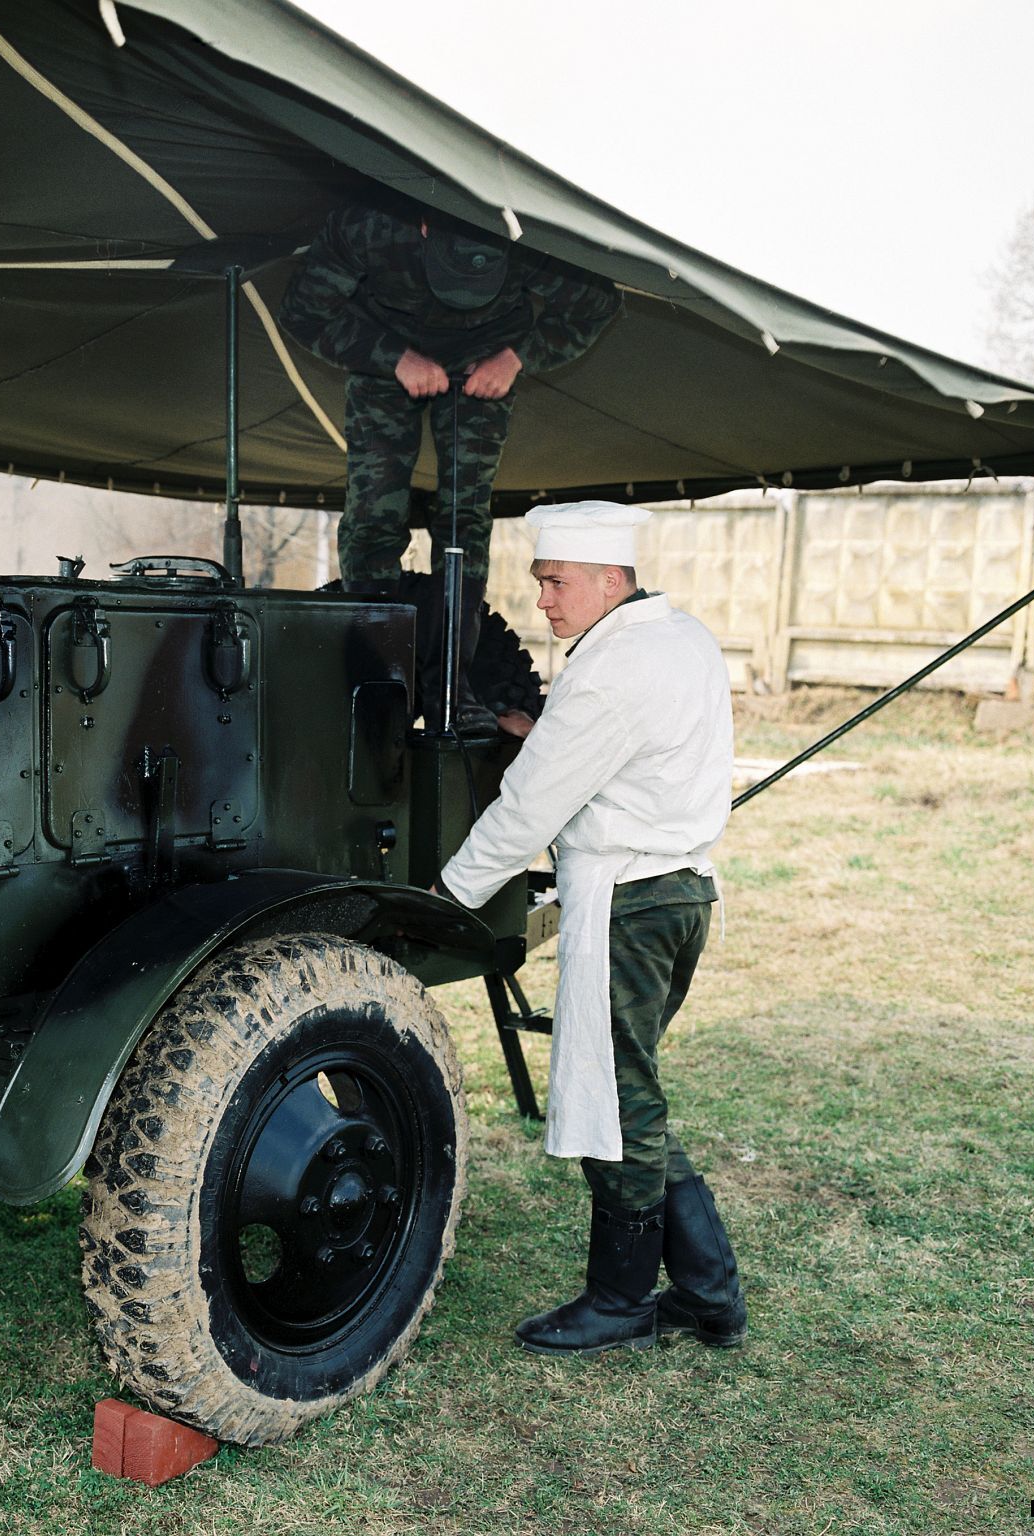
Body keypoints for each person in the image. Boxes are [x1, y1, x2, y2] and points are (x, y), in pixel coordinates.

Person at [435, 501, 747, 1356]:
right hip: (682, 894)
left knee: (617, 1104)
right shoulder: (680, 637)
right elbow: (629, 749)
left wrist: (450, 894)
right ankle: (709, 1294)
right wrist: (542, 730)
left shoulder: (609, 669)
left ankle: (619, 1300)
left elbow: (529, 801)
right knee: (631, 1091)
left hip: (628, 901)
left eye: (556, 581)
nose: (543, 600)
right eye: (540, 582)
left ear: (611, 579)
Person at [277, 202, 621, 734]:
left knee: (465, 519)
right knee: (373, 515)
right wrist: (393, 357)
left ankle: (451, 686)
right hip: (384, 355)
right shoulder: (367, 222)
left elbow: (598, 303)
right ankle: (374, 676)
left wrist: (516, 357)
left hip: (483, 362)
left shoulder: (527, 234)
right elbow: (303, 310)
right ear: (423, 226)